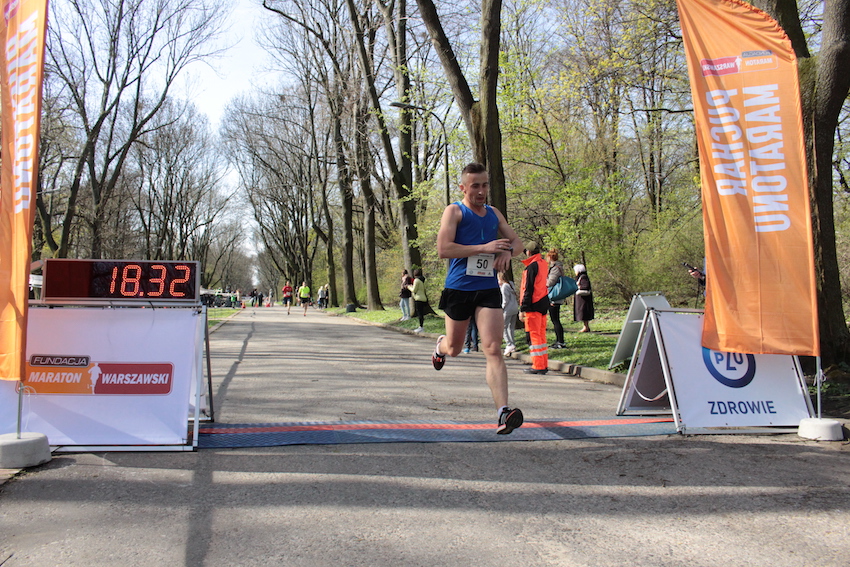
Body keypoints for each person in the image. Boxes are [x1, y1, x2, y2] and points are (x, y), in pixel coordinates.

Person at [430, 162, 525, 435]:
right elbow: (443, 249)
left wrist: (507, 252)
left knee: (493, 348)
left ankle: (503, 412)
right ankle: (440, 347)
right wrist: (484, 247)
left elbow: (517, 242)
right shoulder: (454, 211)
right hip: (459, 288)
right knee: (455, 348)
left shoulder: (494, 213)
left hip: (487, 288)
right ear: (463, 187)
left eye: (484, 185)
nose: (481, 191)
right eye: (475, 186)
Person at [519, 242, 550, 374]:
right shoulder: (543, 264)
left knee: (534, 336)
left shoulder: (531, 267)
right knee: (541, 336)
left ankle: (538, 366)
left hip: (533, 305)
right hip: (543, 302)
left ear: (529, 252)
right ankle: (543, 364)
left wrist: (523, 308)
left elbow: (527, 289)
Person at [547, 249, 566, 349]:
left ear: (550, 257)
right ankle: (559, 341)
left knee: (555, 320)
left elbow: (550, 282)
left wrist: (542, 281)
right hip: (555, 297)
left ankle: (560, 342)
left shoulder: (555, 268)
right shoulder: (557, 267)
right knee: (555, 319)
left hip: (554, 297)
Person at [498, 271, 518, 356]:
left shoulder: (504, 287)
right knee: (511, 327)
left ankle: (509, 344)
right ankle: (512, 344)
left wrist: (501, 309)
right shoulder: (511, 284)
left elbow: (505, 300)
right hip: (515, 308)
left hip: (507, 310)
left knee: (503, 327)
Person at [574, 264, 595, 332]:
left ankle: (586, 327)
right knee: (583, 313)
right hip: (582, 299)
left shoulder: (583, 277)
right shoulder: (582, 276)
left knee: (584, 313)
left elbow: (585, 286)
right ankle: (585, 327)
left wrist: (578, 287)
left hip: (584, 300)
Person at [408, 269, 429, 333]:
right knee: (421, 313)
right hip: (423, 298)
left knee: (420, 313)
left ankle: (421, 327)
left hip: (418, 298)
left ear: (414, 274)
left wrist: (409, 287)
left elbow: (414, 290)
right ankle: (421, 326)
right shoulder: (423, 280)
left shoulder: (416, 280)